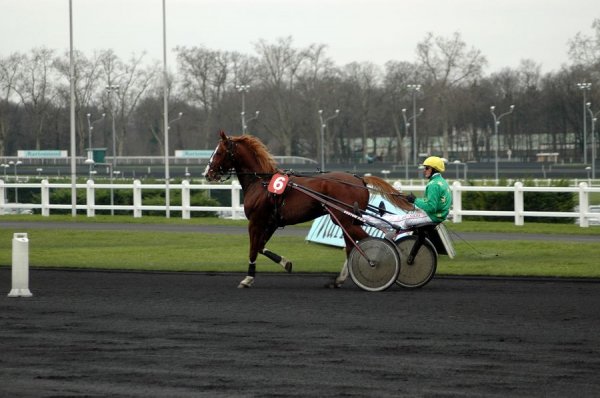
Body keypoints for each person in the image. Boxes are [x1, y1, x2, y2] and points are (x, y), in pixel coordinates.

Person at [364, 156, 452, 230]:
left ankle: (364, 218)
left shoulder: (434, 184)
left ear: (434, 169)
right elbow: (431, 203)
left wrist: (415, 200)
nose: (424, 170)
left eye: (427, 168)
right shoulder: (441, 181)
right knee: (406, 214)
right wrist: (414, 201)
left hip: (432, 216)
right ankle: (385, 215)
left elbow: (431, 207)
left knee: (403, 220)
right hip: (437, 215)